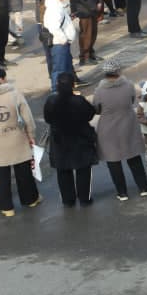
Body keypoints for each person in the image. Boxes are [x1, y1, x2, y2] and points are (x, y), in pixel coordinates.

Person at [92, 60, 147, 201]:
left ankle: (122, 193)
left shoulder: (99, 91)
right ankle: (143, 188)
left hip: (108, 128)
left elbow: (97, 109)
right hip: (128, 124)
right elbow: (131, 101)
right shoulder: (129, 85)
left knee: (114, 161)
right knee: (134, 156)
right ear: (118, 71)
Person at [44, 72, 99, 207]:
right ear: (73, 85)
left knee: (63, 171)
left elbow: (48, 119)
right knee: (83, 170)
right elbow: (90, 114)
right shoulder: (79, 101)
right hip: (81, 140)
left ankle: (68, 200)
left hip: (59, 141)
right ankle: (84, 199)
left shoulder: (51, 101)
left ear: (57, 85)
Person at [0, 67, 41, 217]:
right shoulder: (14, 94)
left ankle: (7, 208)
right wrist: (31, 135)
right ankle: (30, 199)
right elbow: (28, 118)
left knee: (2, 177)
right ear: (1, 79)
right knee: (23, 172)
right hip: (17, 139)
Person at [41, 0, 76, 91]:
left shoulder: (57, 5)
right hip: (59, 44)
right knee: (59, 70)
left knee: (66, 69)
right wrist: (63, 39)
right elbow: (54, 27)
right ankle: (56, 92)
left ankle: (67, 91)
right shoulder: (55, 8)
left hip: (62, 44)